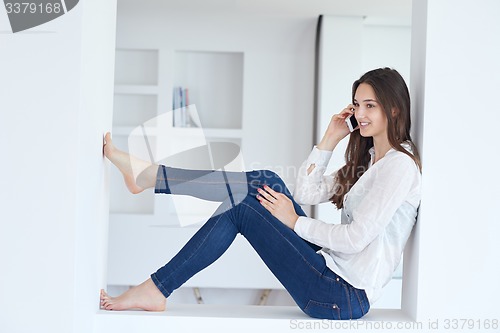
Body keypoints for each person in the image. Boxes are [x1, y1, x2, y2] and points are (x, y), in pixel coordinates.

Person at [100, 67, 422, 320]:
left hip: (342, 295)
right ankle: (148, 180)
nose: (360, 114)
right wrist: (329, 139)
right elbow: (306, 190)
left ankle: (156, 271)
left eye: (370, 106)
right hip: (331, 271)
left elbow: (356, 238)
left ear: (393, 110)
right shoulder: (369, 161)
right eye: (356, 105)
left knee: (241, 207)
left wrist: (295, 222)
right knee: (265, 180)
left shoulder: (399, 167)